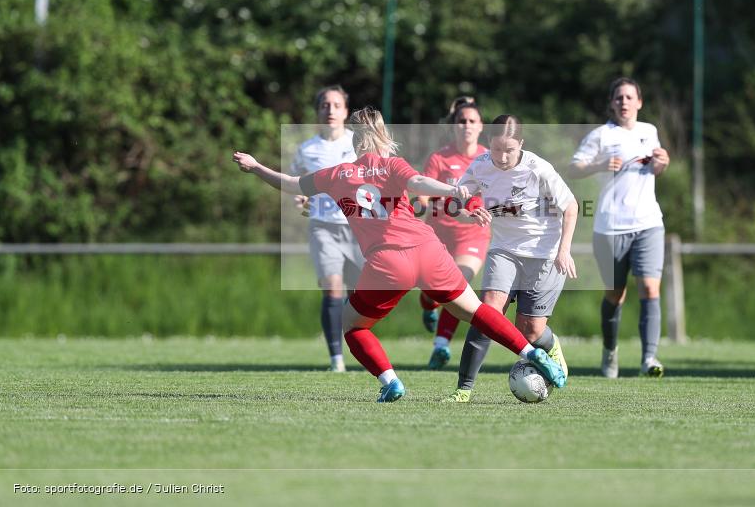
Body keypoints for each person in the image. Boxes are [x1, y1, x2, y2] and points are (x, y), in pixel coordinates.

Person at [233, 107, 566, 402]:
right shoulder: (392, 164)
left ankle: (389, 381)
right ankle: (531, 352)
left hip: (387, 263)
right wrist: (454, 191)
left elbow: (291, 183)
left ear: (354, 139)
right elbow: (420, 181)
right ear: (383, 136)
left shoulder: (336, 174)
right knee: (475, 311)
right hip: (428, 251)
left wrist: (256, 166)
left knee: (350, 325)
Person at [443, 114, 578, 403]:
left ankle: (550, 346)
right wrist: (467, 212)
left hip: (544, 254)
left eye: (509, 150)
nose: (502, 157)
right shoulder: (480, 166)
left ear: (521, 145)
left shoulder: (538, 168)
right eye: (496, 150)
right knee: (487, 314)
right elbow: (455, 203)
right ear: (487, 145)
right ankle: (463, 389)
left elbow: (571, 207)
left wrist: (564, 250)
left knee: (530, 331)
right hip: (503, 250)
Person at [567, 77, 670, 378]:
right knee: (615, 293)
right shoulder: (600, 135)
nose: (624, 102)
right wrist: (599, 165)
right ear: (612, 104)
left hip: (648, 223)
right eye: (618, 98)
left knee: (650, 288)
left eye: (629, 97)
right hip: (610, 225)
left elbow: (657, 168)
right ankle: (610, 352)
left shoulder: (649, 131)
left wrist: (663, 161)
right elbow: (573, 168)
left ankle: (649, 358)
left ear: (639, 102)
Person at [289, 85, 364, 372]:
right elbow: (298, 184)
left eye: (336, 105)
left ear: (345, 111)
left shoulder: (358, 144)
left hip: (358, 227)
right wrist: (301, 198)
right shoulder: (307, 149)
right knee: (332, 289)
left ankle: (361, 348)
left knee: (359, 295)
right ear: (318, 111)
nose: (330, 110)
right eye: (325, 105)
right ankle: (336, 359)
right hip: (323, 228)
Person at [415, 96, 490, 370]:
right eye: (462, 121)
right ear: (454, 126)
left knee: (459, 283)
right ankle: (427, 304)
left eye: (472, 121)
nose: (467, 125)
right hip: (439, 235)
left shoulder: (489, 160)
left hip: (473, 235)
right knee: (432, 292)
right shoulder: (440, 158)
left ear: (481, 126)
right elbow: (423, 194)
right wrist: (420, 205)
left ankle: (441, 346)